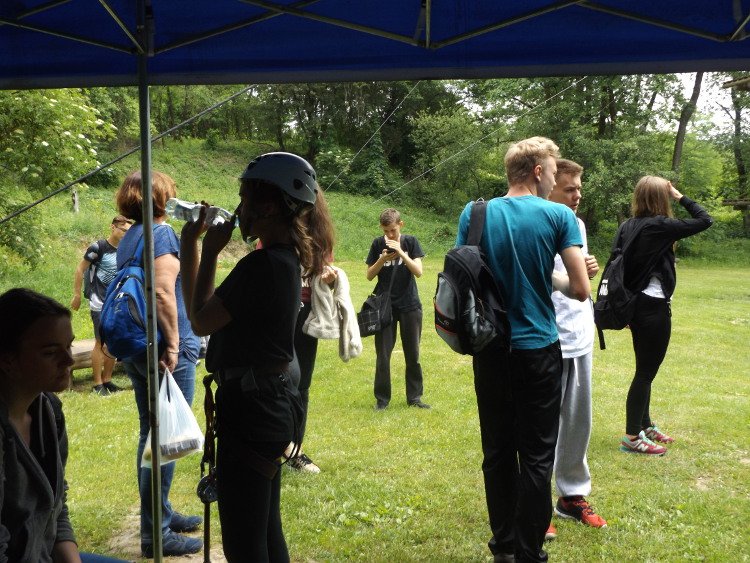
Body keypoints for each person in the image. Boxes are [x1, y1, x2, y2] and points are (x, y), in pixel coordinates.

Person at [457, 137, 589, 563]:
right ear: (537, 171)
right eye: (552, 170)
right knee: (536, 456)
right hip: (538, 351)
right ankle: (530, 553)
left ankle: (503, 547)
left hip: (490, 349)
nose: (553, 178)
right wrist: (557, 276)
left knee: (497, 452)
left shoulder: (475, 213)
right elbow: (581, 289)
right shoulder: (559, 215)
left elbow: (465, 277)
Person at [179, 152, 317, 562]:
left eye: (244, 198)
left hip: (252, 411)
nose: (239, 208)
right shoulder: (284, 259)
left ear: (268, 206)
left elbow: (200, 321)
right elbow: (205, 314)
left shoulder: (262, 265)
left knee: (244, 543)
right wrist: (198, 248)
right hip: (268, 406)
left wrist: (200, 249)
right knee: (266, 532)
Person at [0, 288, 127, 562]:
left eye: (68, 346)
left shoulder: (49, 411)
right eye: (50, 352)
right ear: (7, 360)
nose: (69, 360)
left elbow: (55, 507)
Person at [114, 170, 203, 558]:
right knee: (166, 437)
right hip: (164, 349)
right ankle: (157, 533)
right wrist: (175, 344)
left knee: (150, 433)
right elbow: (164, 292)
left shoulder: (130, 236)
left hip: (137, 345)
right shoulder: (161, 234)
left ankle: (160, 512)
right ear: (162, 198)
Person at [618, 177, 712, 455]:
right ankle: (632, 437)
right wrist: (680, 196)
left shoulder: (628, 225)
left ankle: (645, 425)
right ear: (661, 198)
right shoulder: (659, 225)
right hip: (654, 306)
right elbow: (705, 220)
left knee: (644, 369)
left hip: (636, 305)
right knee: (645, 373)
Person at [546, 159, 606, 540]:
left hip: (580, 332)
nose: (577, 195)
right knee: (541, 427)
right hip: (547, 335)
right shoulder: (537, 223)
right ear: (549, 187)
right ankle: (535, 503)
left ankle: (571, 496)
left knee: (578, 422)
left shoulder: (578, 225)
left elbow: (580, 275)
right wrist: (569, 277)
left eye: (579, 189)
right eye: (569, 188)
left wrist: (589, 269)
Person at [284, 189, 337, 473]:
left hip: (307, 314)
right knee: (282, 381)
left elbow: (326, 272)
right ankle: (280, 445)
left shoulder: (321, 235)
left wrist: (329, 278)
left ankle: (296, 450)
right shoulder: (279, 229)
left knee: (302, 384)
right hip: (281, 311)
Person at [365, 208, 429, 410]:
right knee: (383, 356)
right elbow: (369, 275)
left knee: (413, 354)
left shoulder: (411, 242)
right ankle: (382, 400)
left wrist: (401, 252)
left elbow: (418, 271)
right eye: (386, 231)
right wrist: (382, 259)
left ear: (400, 225)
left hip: (410, 305)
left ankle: (415, 398)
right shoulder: (378, 244)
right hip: (385, 307)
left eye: (393, 230)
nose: (390, 235)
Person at [70, 215, 132, 396]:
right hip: (99, 301)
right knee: (100, 341)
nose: (125, 234)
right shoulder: (98, 247)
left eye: (128, 231)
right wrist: (77, 295)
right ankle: (97, 384)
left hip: (116, 300)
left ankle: (107, 380)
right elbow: (80, 269)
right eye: (123, 230)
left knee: (113, 340)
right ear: (113, 227)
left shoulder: (125, 249)